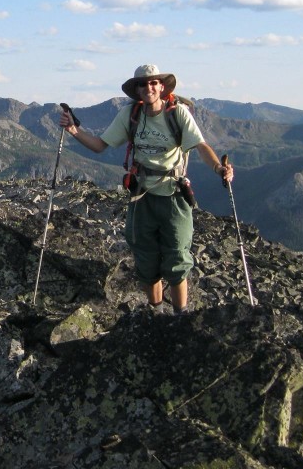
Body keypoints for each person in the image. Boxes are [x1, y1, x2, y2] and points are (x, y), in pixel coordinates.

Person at [59, 64, 233, 313]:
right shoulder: (131, 114)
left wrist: (219, 168)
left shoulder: (178, 114)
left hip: (173, 195)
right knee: (146, 259)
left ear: (162, 87)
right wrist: (73, 130)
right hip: (142, 196)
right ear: (137, 89)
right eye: (143, 84)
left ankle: (179, 317)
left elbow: (200, 146)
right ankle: (157, 313)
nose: (149, 87)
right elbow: (99, 145)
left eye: (153, 83)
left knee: (176, 258)